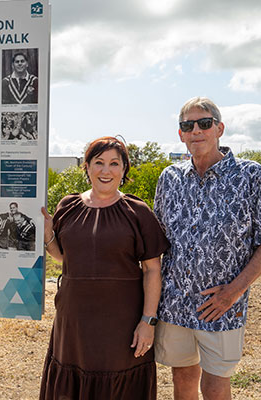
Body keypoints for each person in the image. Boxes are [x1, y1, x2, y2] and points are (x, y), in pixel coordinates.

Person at [153, 97, 261, 400]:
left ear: (219, 128)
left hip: (221, 305)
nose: (196, 130)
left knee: (215, 385)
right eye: (188, 125)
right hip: (175, 304)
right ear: (181, 134)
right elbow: (156, 239)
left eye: (204, 123)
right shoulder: (169, 179)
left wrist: (233, 292)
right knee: (183, 379)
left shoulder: (252, 176)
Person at [39, 136, 169, 399]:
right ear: (87, 167)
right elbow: (64, 259)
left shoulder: (138, 211)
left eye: (114, 163)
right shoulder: (68, 206)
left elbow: (153, 270)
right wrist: (48, 235)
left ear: (124, 170)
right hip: (73, 320)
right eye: (99, 162)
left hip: (121, 323)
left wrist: (148, 321)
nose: (106, 170)